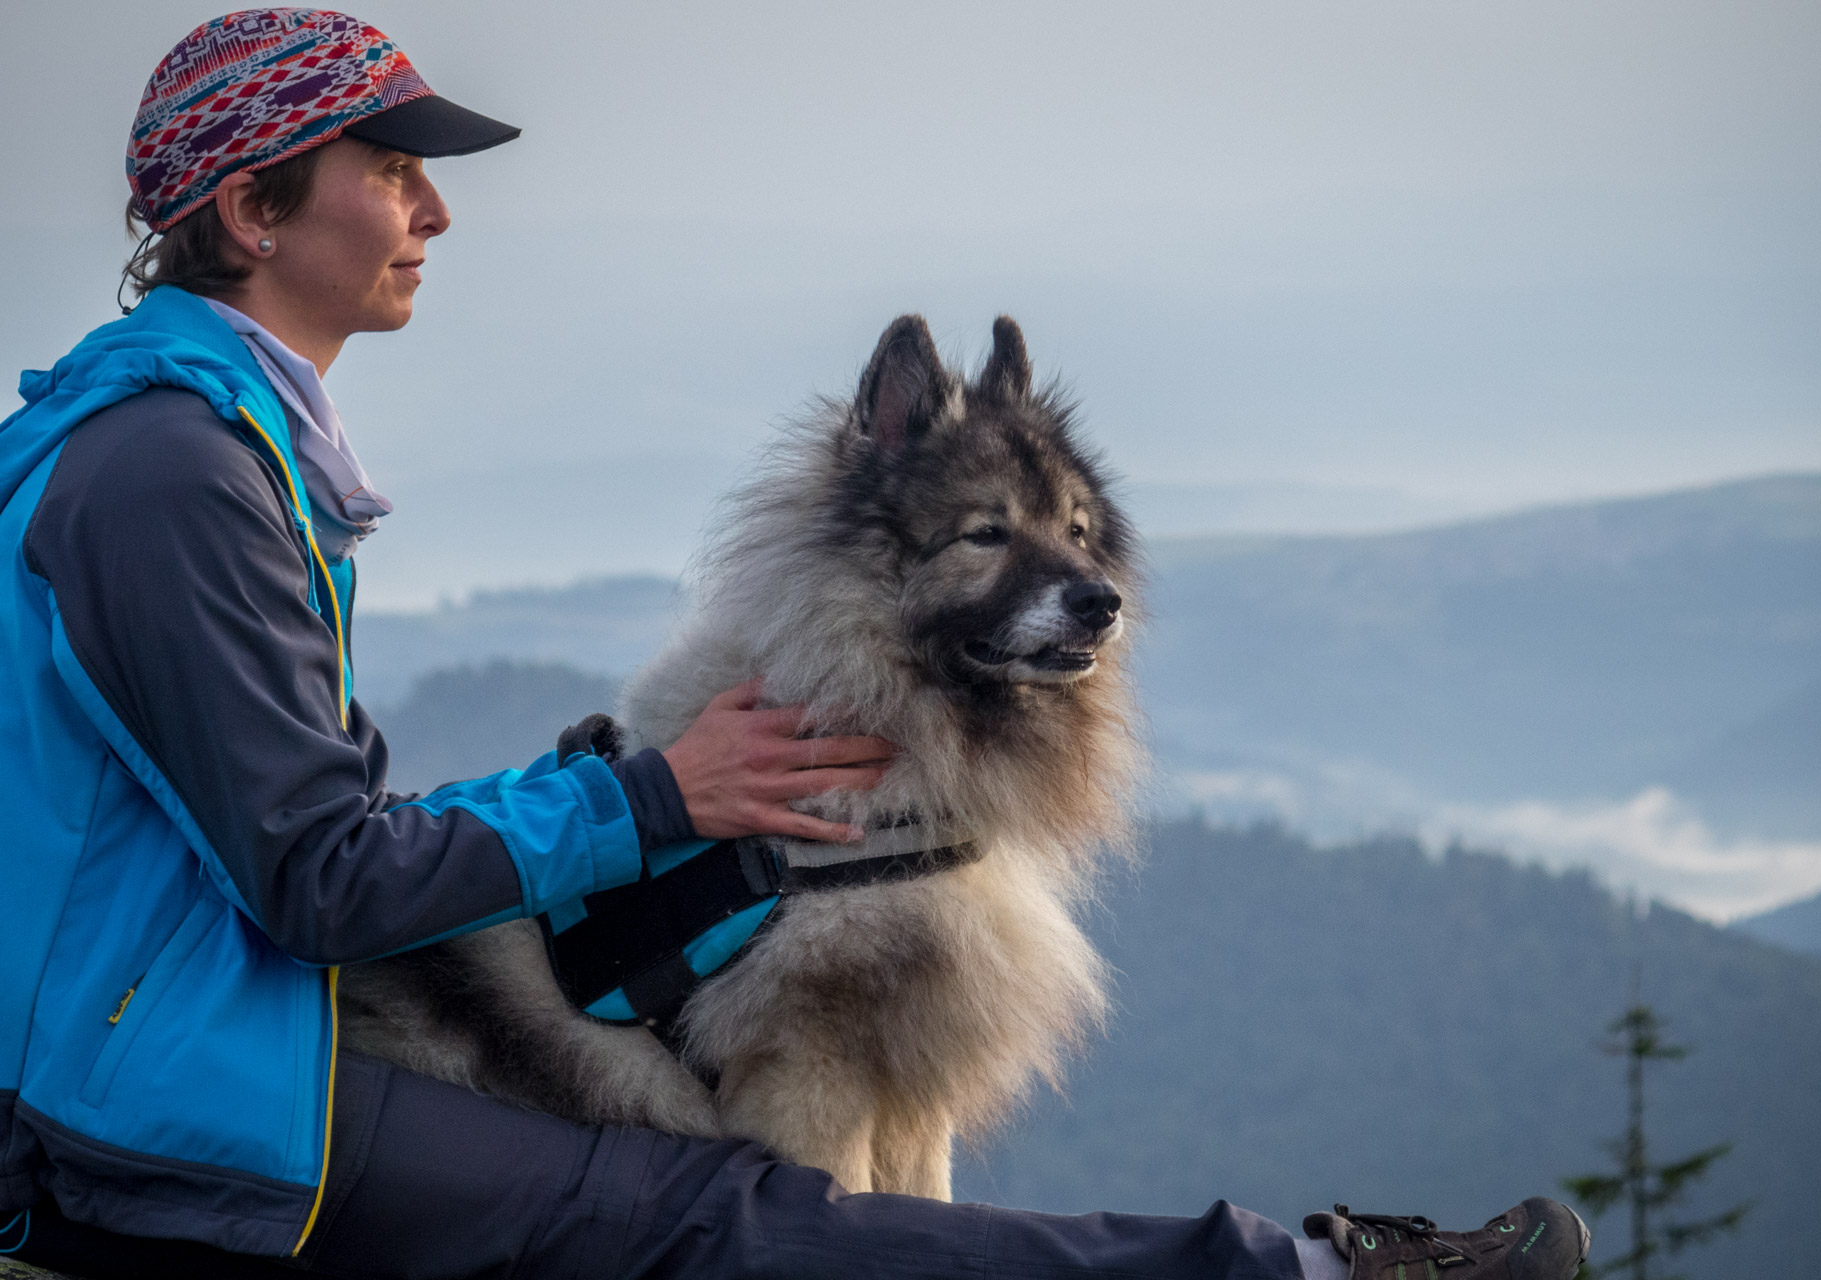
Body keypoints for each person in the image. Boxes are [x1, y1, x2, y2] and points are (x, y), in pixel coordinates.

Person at [0, 12, 1588, 1280]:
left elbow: (276, 837)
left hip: (182, 1035)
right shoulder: (174, 478)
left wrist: (609, 824)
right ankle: (1302, 1274)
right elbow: (320, 875)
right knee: (713, 1216)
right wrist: (648, 802)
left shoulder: (198, 445)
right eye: (388, 166)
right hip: (162, 1112)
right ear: (250, 208)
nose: (436, 205)